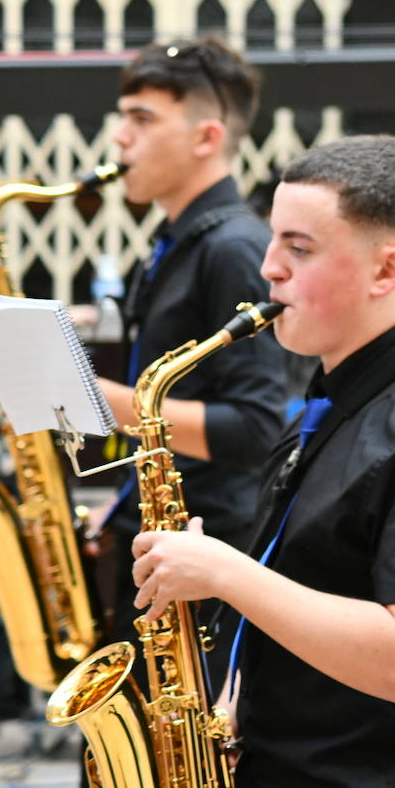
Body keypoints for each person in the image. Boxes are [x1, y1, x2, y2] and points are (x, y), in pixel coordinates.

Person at [129, 134, 395, 788]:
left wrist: (225, 572)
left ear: (386, 271)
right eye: (275, 241)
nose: (269, 269)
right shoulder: (330, 400)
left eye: (298, 248)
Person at [91, 36, 289, 705]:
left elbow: (255, 429)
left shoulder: (234, 248)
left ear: (207, 136)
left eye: (142, 120)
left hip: (203, 565)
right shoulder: (178, 241)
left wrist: (94, 397)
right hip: (163, 554)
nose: (119, 138)